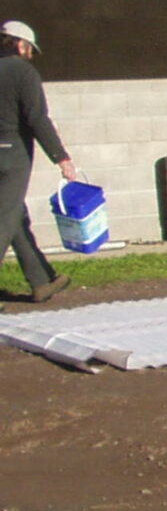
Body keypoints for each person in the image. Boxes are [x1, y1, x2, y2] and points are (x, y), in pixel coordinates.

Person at [1, 20, 78, 308]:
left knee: (14, 217)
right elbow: (37, 118)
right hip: (11, 154)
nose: (31, 55)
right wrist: (61, 157)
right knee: (4, 220)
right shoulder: (24, 72)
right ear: (21, 45)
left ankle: (41, 280)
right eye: (30, 49)